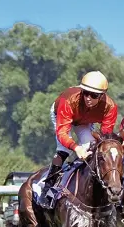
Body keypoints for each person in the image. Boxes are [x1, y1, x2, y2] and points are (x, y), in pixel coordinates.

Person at [38, 71, 119, 209]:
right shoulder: (68, 100)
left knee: (91, 147)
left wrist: (97, 141)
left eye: (94, 95)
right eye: (85, 93)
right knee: (64, 149)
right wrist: (76, 147)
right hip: (62, 114)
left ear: (102, 95)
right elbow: (63, 133)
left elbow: (105, 137)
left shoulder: (110, 107)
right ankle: (47, 190)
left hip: (84, 121)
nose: (88, 98)